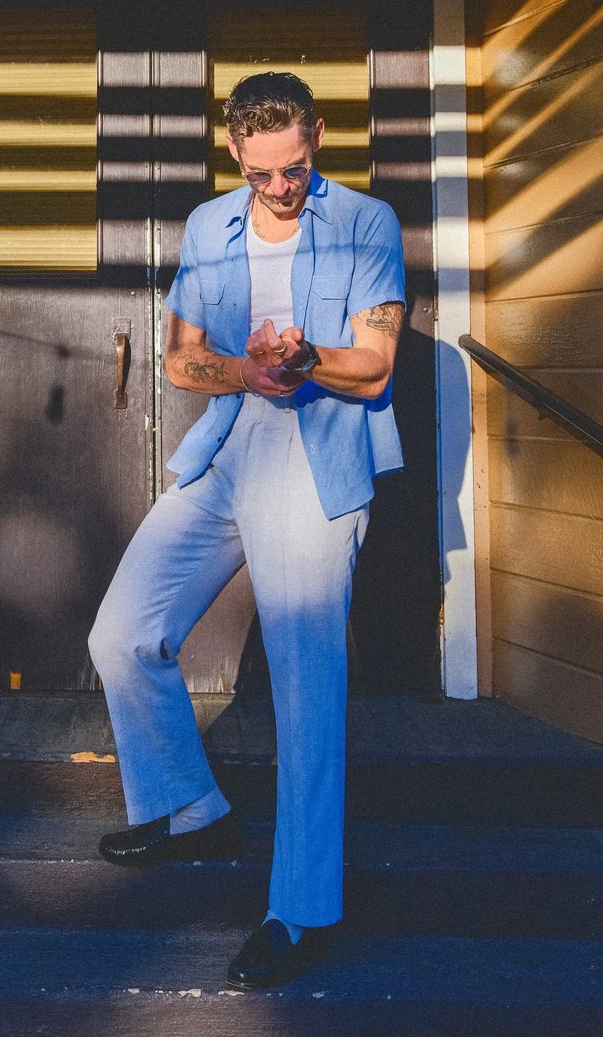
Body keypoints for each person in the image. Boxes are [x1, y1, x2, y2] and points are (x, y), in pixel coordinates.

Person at [87, 69, 405, 989]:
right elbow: (184, 363)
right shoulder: (207, 227)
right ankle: (188, 804)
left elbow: (377, 365)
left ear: (317, 141)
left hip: (320, 457)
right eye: (263, 173)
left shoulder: (364, 223)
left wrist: (305, 359)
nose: (282, 189)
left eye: (296, 169)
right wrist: (246, 373)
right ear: (235, 152)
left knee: (309, 690)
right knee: (123, 635)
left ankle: (303, 912)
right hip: (229, 447)